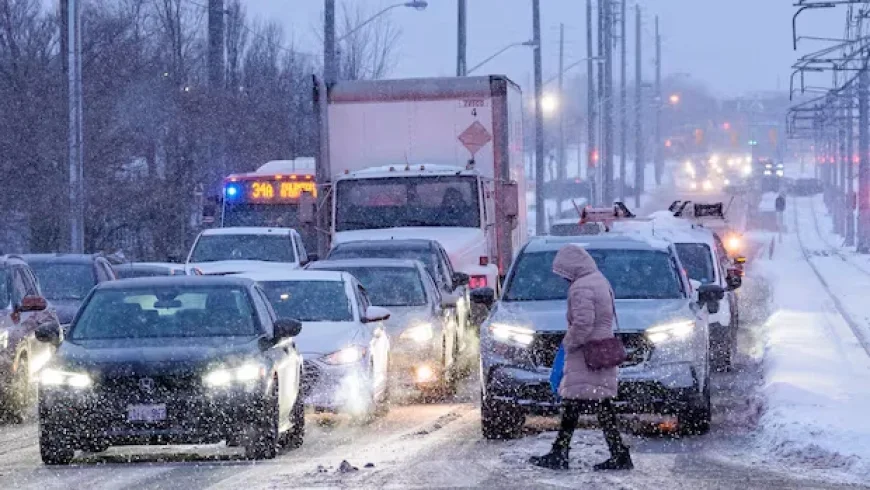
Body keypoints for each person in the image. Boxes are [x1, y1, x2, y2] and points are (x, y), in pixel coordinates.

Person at [529, 244, 632, 471]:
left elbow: (583, 324)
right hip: (601, 350)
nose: (563, 278)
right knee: (597, 405)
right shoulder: (599, 280)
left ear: (571, 267)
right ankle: (616, 453)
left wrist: (568, 343)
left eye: (563, 272)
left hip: (586, 354)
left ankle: (561, 453)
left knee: (575, 404)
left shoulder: (581, 287)